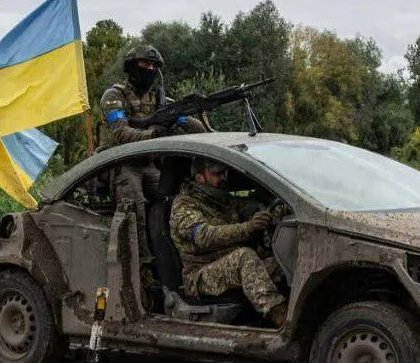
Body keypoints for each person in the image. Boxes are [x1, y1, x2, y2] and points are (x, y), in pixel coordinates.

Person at [98, 44, 209, 287]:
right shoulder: (114, 96)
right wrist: (153, 136)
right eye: (144, 65)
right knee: (134, 203)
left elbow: (189, 123)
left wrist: (202, 123)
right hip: (120, 163)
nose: (149, 69)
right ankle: (142, 271)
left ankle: (177, 258)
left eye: (153, 66)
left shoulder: (159, 100)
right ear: (131, 67)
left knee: (176, 197)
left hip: (148, 164)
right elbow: (121, 134)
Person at [169, 156, 288, 328]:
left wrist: (267, 213)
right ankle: (280, 318)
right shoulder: (183, 205)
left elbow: (250, 209)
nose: (224, 178)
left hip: (229, 265)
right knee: (244, 257)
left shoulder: (222, 200)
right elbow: (204, 236)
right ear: (200, 177)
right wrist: (247, 227)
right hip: (201, 274)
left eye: (224, 173)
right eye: (217, 174)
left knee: (280, 261)